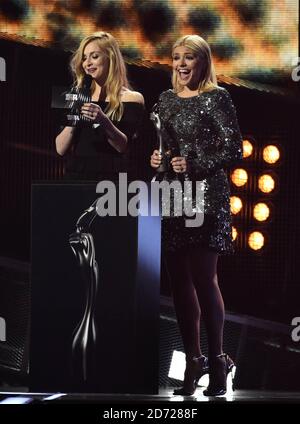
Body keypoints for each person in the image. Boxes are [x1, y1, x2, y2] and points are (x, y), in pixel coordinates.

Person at [150, 35, 243, 396]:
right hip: (175, 195)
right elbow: (163, 147)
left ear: (203, 62)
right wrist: (156, 160)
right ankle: (193, 361)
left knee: (204, 278)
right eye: (176, 58)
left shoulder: (217, 97)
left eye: (189, 57)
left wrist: (196, 163)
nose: (182, 64)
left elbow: (233, 147)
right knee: (178, 283)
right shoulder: (166, 100)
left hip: (208, 195)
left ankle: (218, 362)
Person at [55, 31, 144, 180]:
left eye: (94, 56)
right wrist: (75, 115)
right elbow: (60, 148)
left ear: (110, 58)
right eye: (84, 58)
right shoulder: (71, 95)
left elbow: (122, 146)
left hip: (111, 180)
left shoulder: (132, 98)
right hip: (76, 178)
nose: (87, 63)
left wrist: (103, 120)